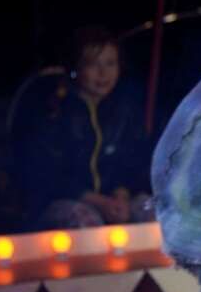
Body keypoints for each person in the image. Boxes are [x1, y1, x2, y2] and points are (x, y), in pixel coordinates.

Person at [18, 25, 151, 229]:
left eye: (110, 63)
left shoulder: (124, 110)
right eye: (93, 64)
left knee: (156, 212)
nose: (103, 73)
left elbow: (132, 161)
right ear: (76, 68)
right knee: (86, 222)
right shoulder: (54, 111)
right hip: (66, 201)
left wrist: (121, 195)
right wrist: (99, 202)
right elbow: (48, 175)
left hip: (115, 199)